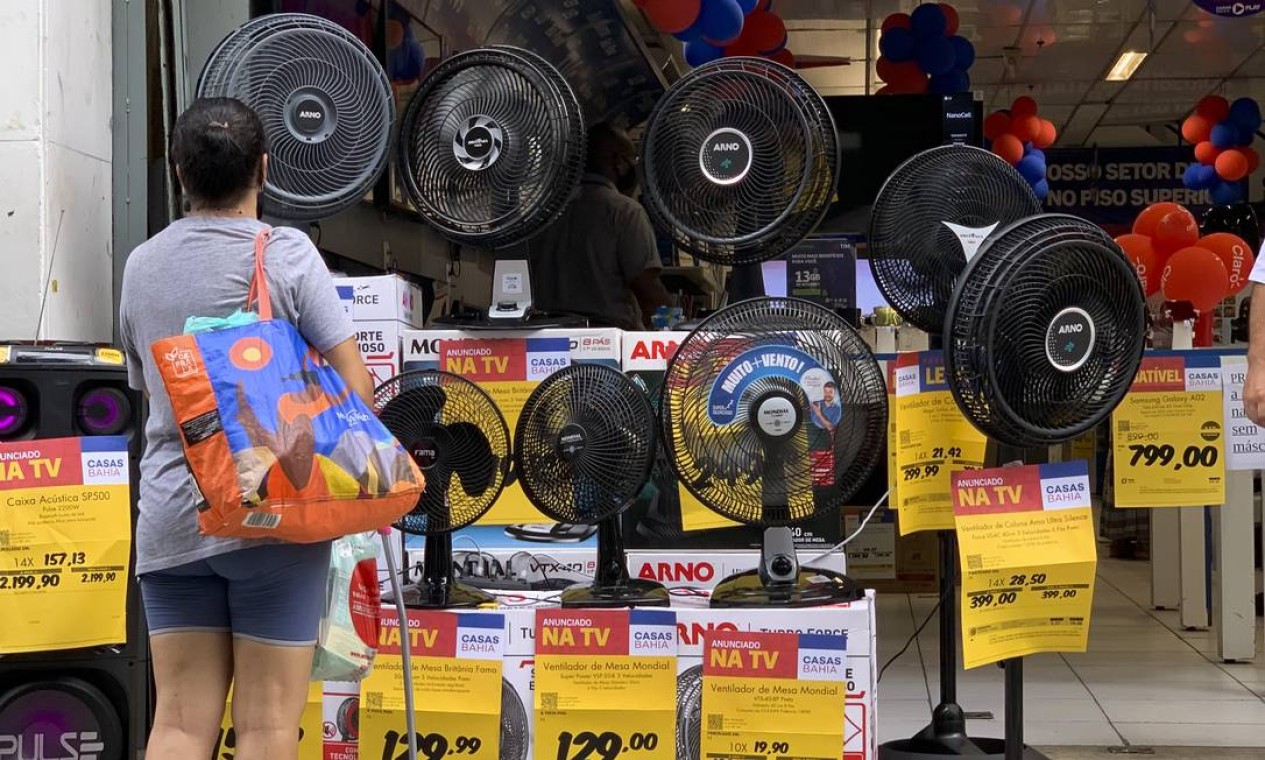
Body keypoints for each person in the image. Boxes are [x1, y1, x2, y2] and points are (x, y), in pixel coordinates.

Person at [118, 98, 374, 760]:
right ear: (265, 167)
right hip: (273, 517)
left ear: (178, 171)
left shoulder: (141, 266)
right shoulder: (286, 253)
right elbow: (358, 390)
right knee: (265, 729)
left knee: (175, 725)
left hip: (174, 517)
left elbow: (149, 391)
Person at [528, 122, 670, 329]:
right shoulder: (625, 211)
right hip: (608, 340)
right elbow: (648, 289)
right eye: (633, 160)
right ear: (620, 164)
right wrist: (677, 325)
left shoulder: (544, 213)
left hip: (547, 339)